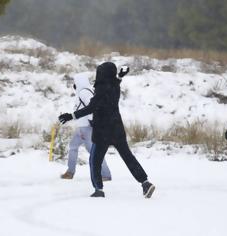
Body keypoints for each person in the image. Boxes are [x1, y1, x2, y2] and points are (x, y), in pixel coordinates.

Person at [59, 62, 155, 198]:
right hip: (117, 129)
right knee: (128, 158)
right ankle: (145, 183)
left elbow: (91, 107)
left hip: (102, 131)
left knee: (95, 160)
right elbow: (115, 83)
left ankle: (99, 189)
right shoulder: (114, 87)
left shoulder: (101, 89)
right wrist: (120, 76)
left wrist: (71, 115)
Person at [60, 73, 112, 181]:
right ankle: (70, 172)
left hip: (87, 127)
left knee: (94, 152)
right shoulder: (81, 92)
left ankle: (106, 174)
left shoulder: (84, 92)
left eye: (75, 83)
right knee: (73, 147)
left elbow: (92, 107)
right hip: (81, 127)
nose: (74, 85)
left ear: (79, 82)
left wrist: (93, 121)